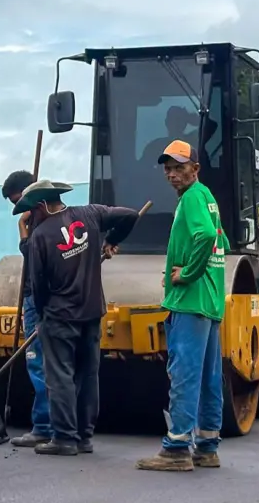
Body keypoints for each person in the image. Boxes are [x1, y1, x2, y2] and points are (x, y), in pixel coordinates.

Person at [15, 179, 139, 458]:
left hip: (59, 316)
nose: (31, 219)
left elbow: (38, 284)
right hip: (92, 312)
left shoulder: (40, 236)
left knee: (59, 376)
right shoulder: (90, 213)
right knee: (87, 375)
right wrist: (112, 240)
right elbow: (130, 215)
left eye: (31, 213)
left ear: (41, 205)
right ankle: (83, 437)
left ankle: (64, 438)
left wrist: (43, 315)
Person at [143, 139, 228, 472]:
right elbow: (220, 240)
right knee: (208, 377)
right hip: (209, 300)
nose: (172, 174)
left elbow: (205, 236)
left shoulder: (192, 198)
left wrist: (186, 273)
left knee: (184, 374)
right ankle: (207, 447)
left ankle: (177, 448)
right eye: (168, 169)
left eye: (179, 168)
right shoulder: (206, 196)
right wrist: (185, 268)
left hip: (191, 301)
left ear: (195, 168)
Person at [0, 170, 54, 449]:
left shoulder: (43, 223)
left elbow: (32, 255)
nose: (19, 209)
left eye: (19, 202)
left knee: (38, 361)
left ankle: (44, 426)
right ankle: (66, 428)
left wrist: (23, 228)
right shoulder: (48, 219)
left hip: (41, 299)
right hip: (49, 299)